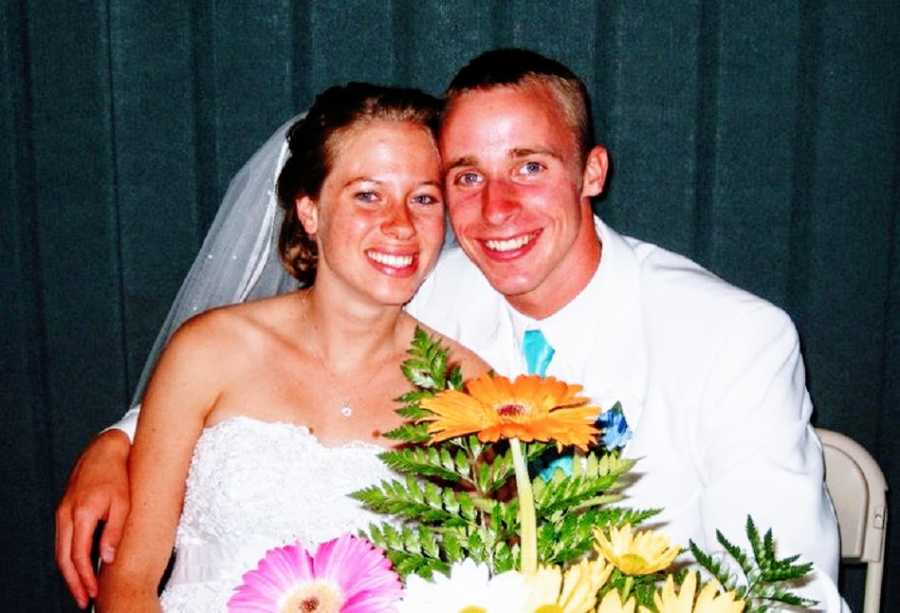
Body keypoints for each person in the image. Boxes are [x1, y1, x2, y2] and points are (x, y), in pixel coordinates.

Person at [59, 49, 846, 610]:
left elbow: (788, 588)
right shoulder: (420, 279)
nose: (494, 210)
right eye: (465, 176)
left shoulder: (731, 337)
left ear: (592, 172)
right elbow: (265, 362)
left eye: (530, 167)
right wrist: (119, 441)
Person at [92, 82, 487, 611]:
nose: (400, 225)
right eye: (367, 195)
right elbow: (129, 581)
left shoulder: (471, 389)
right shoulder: (210, 352)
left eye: (423, 198)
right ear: (310, 211)